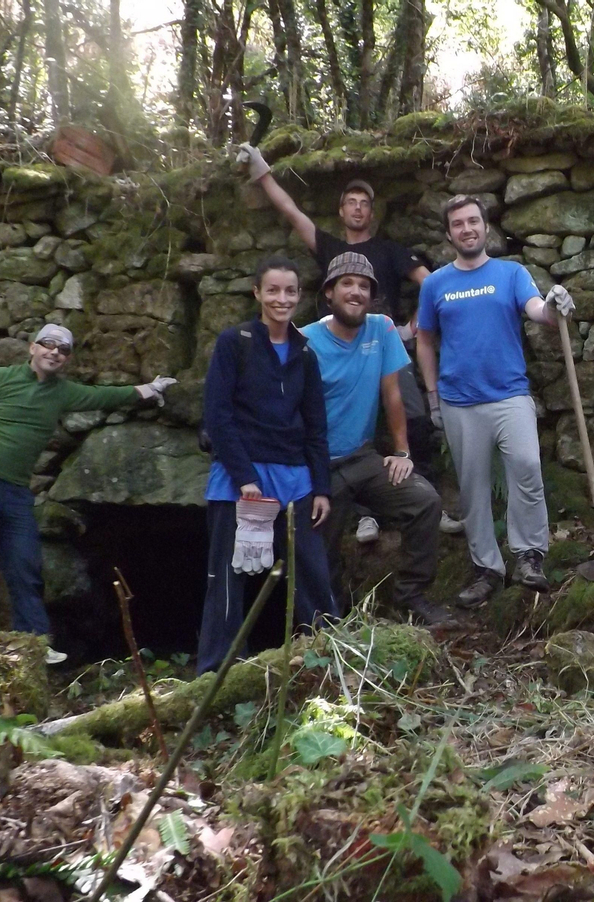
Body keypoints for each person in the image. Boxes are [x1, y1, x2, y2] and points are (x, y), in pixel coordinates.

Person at [236, 146, 464, 542]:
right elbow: (291, 211)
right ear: (341, 212)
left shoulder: (388, 251)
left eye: (364, 204)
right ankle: (364, 515)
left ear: (371, 213)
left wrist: (413, 326)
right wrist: (262, 174)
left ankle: (422, 492)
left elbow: (433, 284)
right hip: (335, 349)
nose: (357, 209)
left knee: (413, 418)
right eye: (350, 203)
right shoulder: (329, 248)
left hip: (384, 345)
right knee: (343, 425)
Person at [0, 324, 175, 663]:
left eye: (63, 349)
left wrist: (149, 389)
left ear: (66, 359)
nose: (55, 352)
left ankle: (33, 643)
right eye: (49, 345)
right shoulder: (0, 377)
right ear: (32, 348)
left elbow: (104, 396)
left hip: (15, 491)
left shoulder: (63, 392)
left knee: (26, 565)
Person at [416, 195, 574, 606]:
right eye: (458, 224)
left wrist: (555, 305)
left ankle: (528, 556)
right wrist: (433, 396)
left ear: (486, 227)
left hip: (509, 393)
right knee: (472, 489)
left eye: (473, 221)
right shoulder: (435, 284)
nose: (467, 229)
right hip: (458, 400)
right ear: (449, 233)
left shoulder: (511, 273)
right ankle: (487, 569)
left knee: (526, 467)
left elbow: (538, 311)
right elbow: (426, 341)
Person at [301, 252, 454, 626]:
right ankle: (329, 625)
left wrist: (401, 451)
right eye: (347, 284)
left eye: (364, 286)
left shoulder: (382, 328)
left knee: (424, 501)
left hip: (363, 457)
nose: (356, 292)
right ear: (329, 294)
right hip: (318, 468)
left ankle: (410, 597)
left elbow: (392, 396)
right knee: (319, 547)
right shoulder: (304, 341)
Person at [198, 255, 334, 674]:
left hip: (295, 480)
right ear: (257, 293)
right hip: (240, 480)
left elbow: (315, 424)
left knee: (311, 573)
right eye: (273, 290)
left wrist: (323, 487)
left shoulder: (306, 353)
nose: (282, 298)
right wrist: (245, 478)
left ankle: (328, 658)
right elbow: (217, 416)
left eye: (290, 291)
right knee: (229, 576)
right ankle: (216, 670)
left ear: (299, 296)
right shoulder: (233, 342)